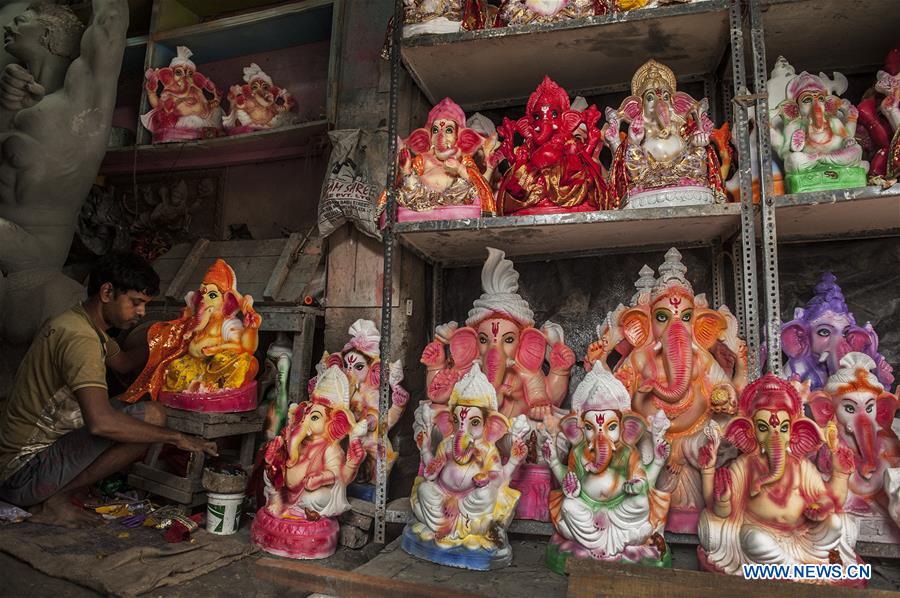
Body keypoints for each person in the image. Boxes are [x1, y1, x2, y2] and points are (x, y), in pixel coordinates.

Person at [0, 252, 218, 527]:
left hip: (23, 464)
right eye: (136, 303)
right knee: (152, 416)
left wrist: (175, 341)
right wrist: (175, 437)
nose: (141, 313)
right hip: (22, 474)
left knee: (142, 415)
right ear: (106, 292)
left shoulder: (82, 323)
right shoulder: (81, 340)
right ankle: (54, 500)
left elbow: (124, 363)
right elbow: (101, 423)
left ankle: (55, 495)